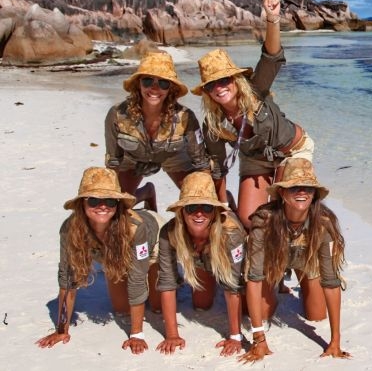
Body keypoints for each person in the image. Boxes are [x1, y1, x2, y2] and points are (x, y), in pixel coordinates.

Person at [191, 0, 314, 230]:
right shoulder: (213, 122)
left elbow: (272, 56)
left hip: (291, 151)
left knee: (291, 211)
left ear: (236, 80)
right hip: (256, 160)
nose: (219, 87)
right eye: (211, 85)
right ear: (206, 91)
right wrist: (221, 207)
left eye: (224, 79)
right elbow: (217, 165)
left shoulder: (256, 89)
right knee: (250, 222)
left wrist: (272, 19)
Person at [36, 167, 162, 355]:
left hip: (152, 244)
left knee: (156, 305)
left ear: (118, 205)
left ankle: (146, 193)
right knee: (121, 310)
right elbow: (67, 278)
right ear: (82, 204)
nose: (102, 206)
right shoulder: (69, 229)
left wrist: (137, 334)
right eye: (94, 200)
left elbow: (137, 277)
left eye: (110, 201)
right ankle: (144, 193)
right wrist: (62, 329)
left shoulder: (136, 228)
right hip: (112, 256)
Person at [240, 158, 350, 363]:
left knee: (317, 315)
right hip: (273, 263)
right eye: (294, 188)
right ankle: (278, 283)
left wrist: (335, 341)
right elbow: (253, 279)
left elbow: (332, 281)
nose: (302, 192)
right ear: (282, 193)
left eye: (307, 188)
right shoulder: (264, 220)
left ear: (314, 194)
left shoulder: (324, 223)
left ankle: (300, 284)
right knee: (262, 314)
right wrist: (258, 338)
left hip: (305, 262)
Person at [155, 171, 251, 357]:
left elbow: (232, 287)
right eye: (192, 207)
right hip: (202, 262)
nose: (199, 213)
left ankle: (231, 207)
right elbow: (167, 283)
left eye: (206, 208)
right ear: (182, 211)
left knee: (259, 312)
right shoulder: (169, 232)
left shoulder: (230, 234)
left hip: (232, 262)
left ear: (214, 212)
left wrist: (235, 336)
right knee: (201, 304)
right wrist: (172, 335)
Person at [105, 51, 210, 209]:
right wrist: (110, 195)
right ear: (138, 84)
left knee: (197, 204)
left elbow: (202, 162)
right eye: (147, 81)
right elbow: (113, 162)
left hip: (174, 159)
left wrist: (211, 197)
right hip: (134, 159)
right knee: (117, 207)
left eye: (163, 83)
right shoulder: (117, 115)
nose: (154, 88)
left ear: (171, 89)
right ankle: (147, 193)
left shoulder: (185, 117)